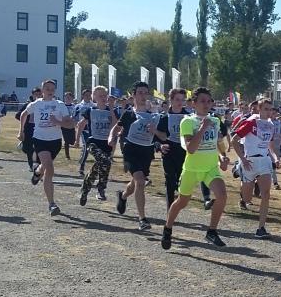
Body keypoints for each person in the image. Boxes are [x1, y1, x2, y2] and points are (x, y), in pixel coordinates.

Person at [161, 87, 230, 250]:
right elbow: (190, 148)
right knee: (181, 202)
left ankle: (212, 231)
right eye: (202, 101)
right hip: (191, 169)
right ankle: (167, 228)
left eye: (209, 101)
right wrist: (202, 128)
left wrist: (222, 157)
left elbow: (217, 143)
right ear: (193, 104)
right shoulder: (187, 121)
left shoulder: (215, 120)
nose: (206, 105)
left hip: (210, 168)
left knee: (222, 195)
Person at [23, 79, 75, 216]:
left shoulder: (60, 105)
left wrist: (58, 122)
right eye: (47, 88)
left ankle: (37, 172)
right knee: (50, 168)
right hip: (40, 139)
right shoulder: (37, 104)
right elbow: (24, 114)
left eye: (52, 89)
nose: (50, 91)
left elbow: (70, 124)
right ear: (42, 90)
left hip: (55, 142)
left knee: (44, 167)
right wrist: (20, 131)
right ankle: (52, 204)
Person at [113, 81, 161, 231]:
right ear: (133, 95)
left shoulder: (153, 116)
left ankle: (123, 196)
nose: (142, 95)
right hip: (131, 149)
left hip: (146, 151)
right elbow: (117, 127)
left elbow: (160, 135)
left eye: (145, 93)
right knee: (140, 181)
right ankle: (142, 219)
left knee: (135, 183)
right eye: (139, 92)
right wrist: (111, 137)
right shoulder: (129, 113)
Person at [231, 98, 281, 238]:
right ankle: (238, 168)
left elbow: (270, 145)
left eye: (270, 109)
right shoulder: (251, 123)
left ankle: (261, 228)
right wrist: (242, 159)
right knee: (247, 199)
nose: (269, 112)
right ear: (259, 109)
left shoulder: (271, 125)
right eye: (266, 109)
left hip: (264, 161)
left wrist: (275, 158)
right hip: (249, 161)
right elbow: (234, 140)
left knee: (266, 194)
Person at [156, 88, 213, 209]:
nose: (180, 102)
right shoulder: (164, 117)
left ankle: (206, 198)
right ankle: (169, 210)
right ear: (170, 100)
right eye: (177, 99)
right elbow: (156, 138)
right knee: (170, 181)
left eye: (182, 100)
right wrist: (160, 146)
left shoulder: (189, 117)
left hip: (185, 153)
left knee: (187, 178)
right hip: (169, 152)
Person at [76, 86, 118, 204]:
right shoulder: (90, 110)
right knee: (106, 162)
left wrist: (110, 109)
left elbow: (116, 125)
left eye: (105, 96)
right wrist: (76, 140)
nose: (103, 98)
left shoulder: (111, 111)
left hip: (107, 143)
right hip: (93, 142)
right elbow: (81, 124)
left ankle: (85, 189)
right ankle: (101, 189)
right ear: (94, 97)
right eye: (100, 96)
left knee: (97, 168)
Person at [16, 88, 41, 171]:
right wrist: (24, 123)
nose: (37, 96)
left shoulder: (42, 104)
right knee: (28, 149)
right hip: (28, 128)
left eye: (39, 94)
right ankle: (31, 163)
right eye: (36, 94)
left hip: (38, 128)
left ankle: (35, 165)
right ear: (33, 95)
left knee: (36, 148)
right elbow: (18, 115)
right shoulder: (28, 105)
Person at [60, 92, 78, 160]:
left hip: (71, 125)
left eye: (69, 97)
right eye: (66, 97)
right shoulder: (62, 106)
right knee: (66, 141)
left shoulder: (74, 106)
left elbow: (76, 115)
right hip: (64, 125)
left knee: (72, 141)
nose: (67, 98)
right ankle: (67, 156)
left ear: (72, 98)